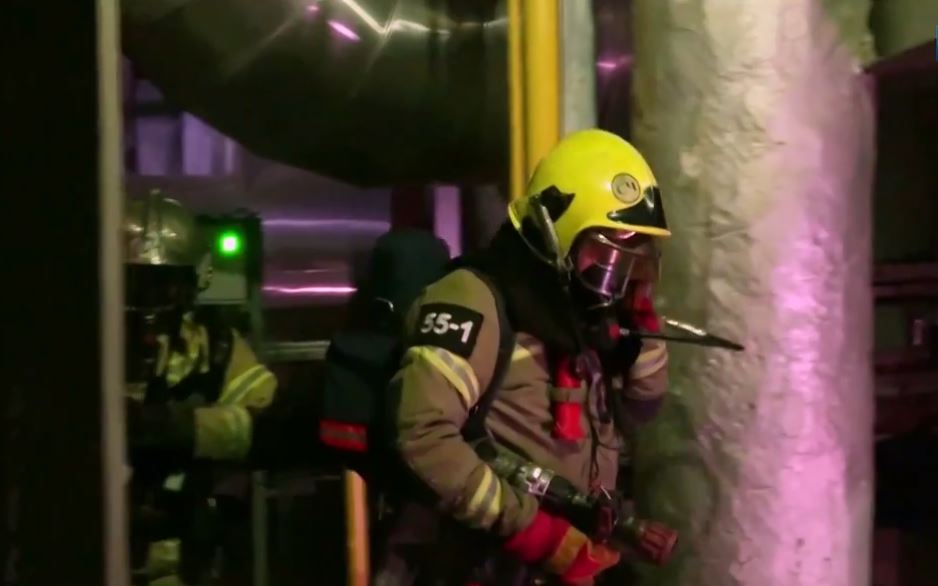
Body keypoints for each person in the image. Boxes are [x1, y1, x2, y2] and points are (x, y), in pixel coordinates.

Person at [377, 129, 671, 585]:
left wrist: (643, 329)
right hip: (483, 566)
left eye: (629, 254)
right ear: (558, 233)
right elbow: (422, 435)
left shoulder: (578, 312)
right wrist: (537, 535)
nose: (615, 274)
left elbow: (643, 408)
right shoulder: (474, 299)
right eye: (604, 249)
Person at [122, 190, 278, 586]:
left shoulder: (216, 348)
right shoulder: (84, 350)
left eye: (164, 284)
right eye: (137, 283)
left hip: (181, 563)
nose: (151, 300)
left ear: (191, 284)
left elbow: (269, 423)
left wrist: (186, 429)